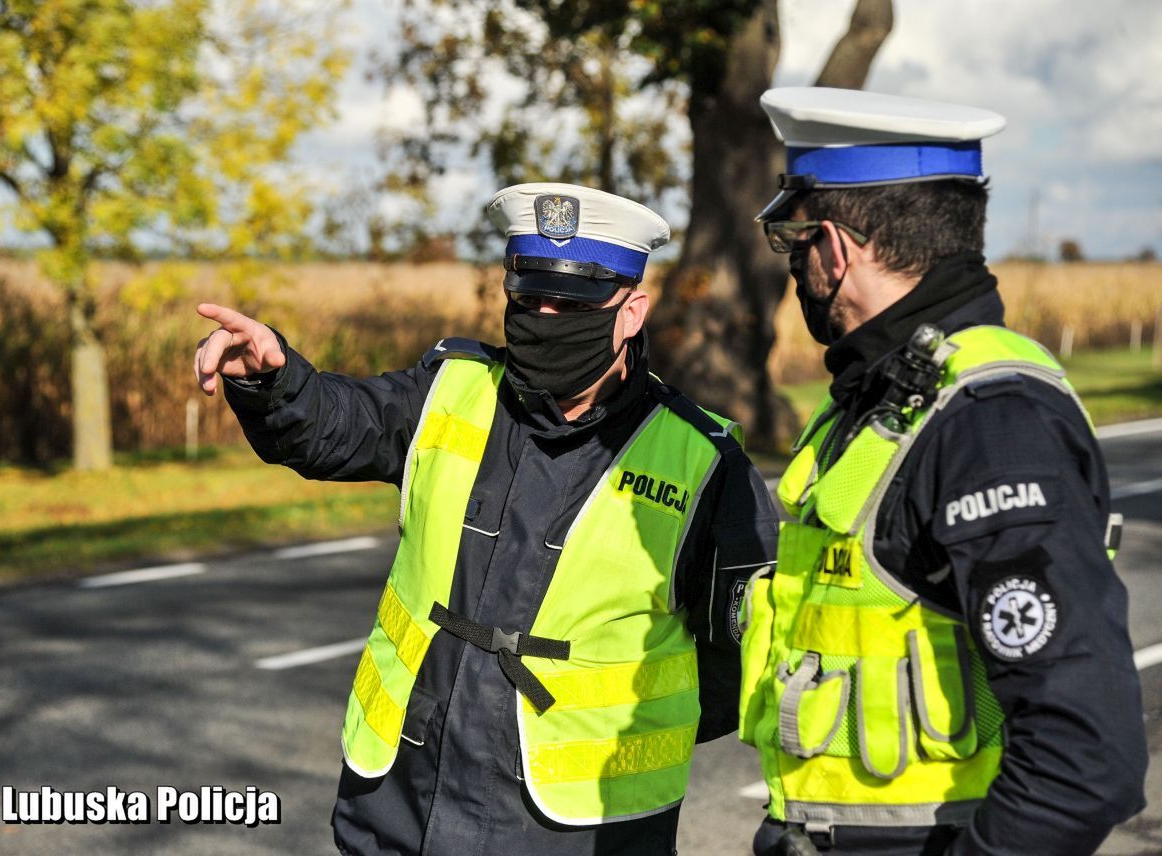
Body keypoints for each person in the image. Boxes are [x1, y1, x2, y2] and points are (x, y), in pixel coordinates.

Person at [193, 182, 779, 855]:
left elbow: (738, 662)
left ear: (631, 312)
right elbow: (335, 424)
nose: (546, 318)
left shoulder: (704, 460)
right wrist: (274, 381)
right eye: (528, 300)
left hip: (581, 830)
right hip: (401, 806)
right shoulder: (451, 389)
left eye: (574, 306)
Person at [738, 87, 1147, 856]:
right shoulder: (886, 392)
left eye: (794, 242)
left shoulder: (989, 423)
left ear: (834, 246)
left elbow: (1085, 756)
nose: (795, 265)